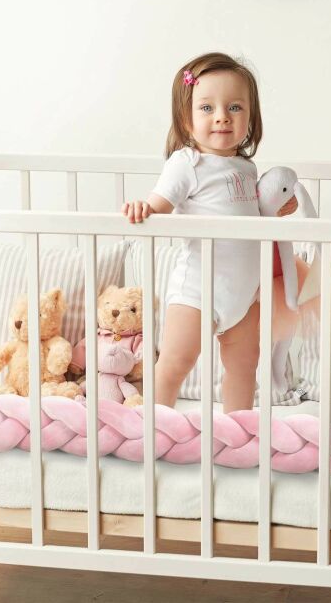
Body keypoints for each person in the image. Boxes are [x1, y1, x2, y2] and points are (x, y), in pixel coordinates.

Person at [122, 52, 284, 413]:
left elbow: (249, 216)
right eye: (207, 108)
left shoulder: (246, 167)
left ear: (250, 117)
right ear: (186, 117)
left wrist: (276, 211)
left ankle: (237, 430)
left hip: (245, 294)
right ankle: (154, 426)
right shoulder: (187, 163)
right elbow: (159, 205)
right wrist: (143, 208)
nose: (222, 116)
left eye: (235, 107)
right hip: (198, 289)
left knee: (244, 365)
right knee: (175, 363)